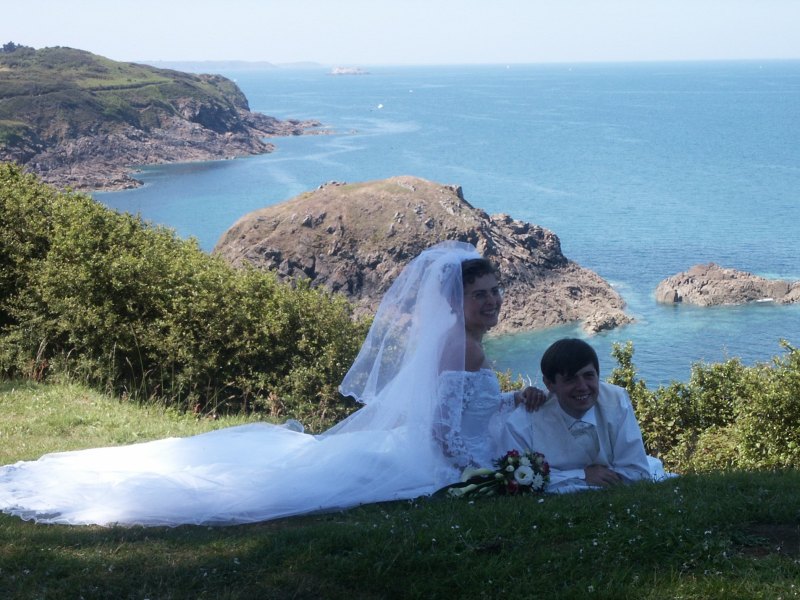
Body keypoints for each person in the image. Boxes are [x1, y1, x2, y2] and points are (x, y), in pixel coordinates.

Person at [0, 241, 543, 526]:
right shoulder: (462, 344)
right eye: (482, 295)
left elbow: (465, 405)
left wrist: (516, 397)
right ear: (455, 301)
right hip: (429, 458)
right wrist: (477, 472)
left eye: (496, 292)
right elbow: (447, 431)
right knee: (283, 488)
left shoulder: (461, 340)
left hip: (426, 448)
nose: (493, 302)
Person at [496, 338, 666, 493]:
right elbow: (516, 481)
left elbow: (636, 473)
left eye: (589, 376)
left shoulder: (616, 401)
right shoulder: (526, 419)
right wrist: (582, 475)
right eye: (570, 379)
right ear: (549, 384)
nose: (583, 386)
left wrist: (561, 480)